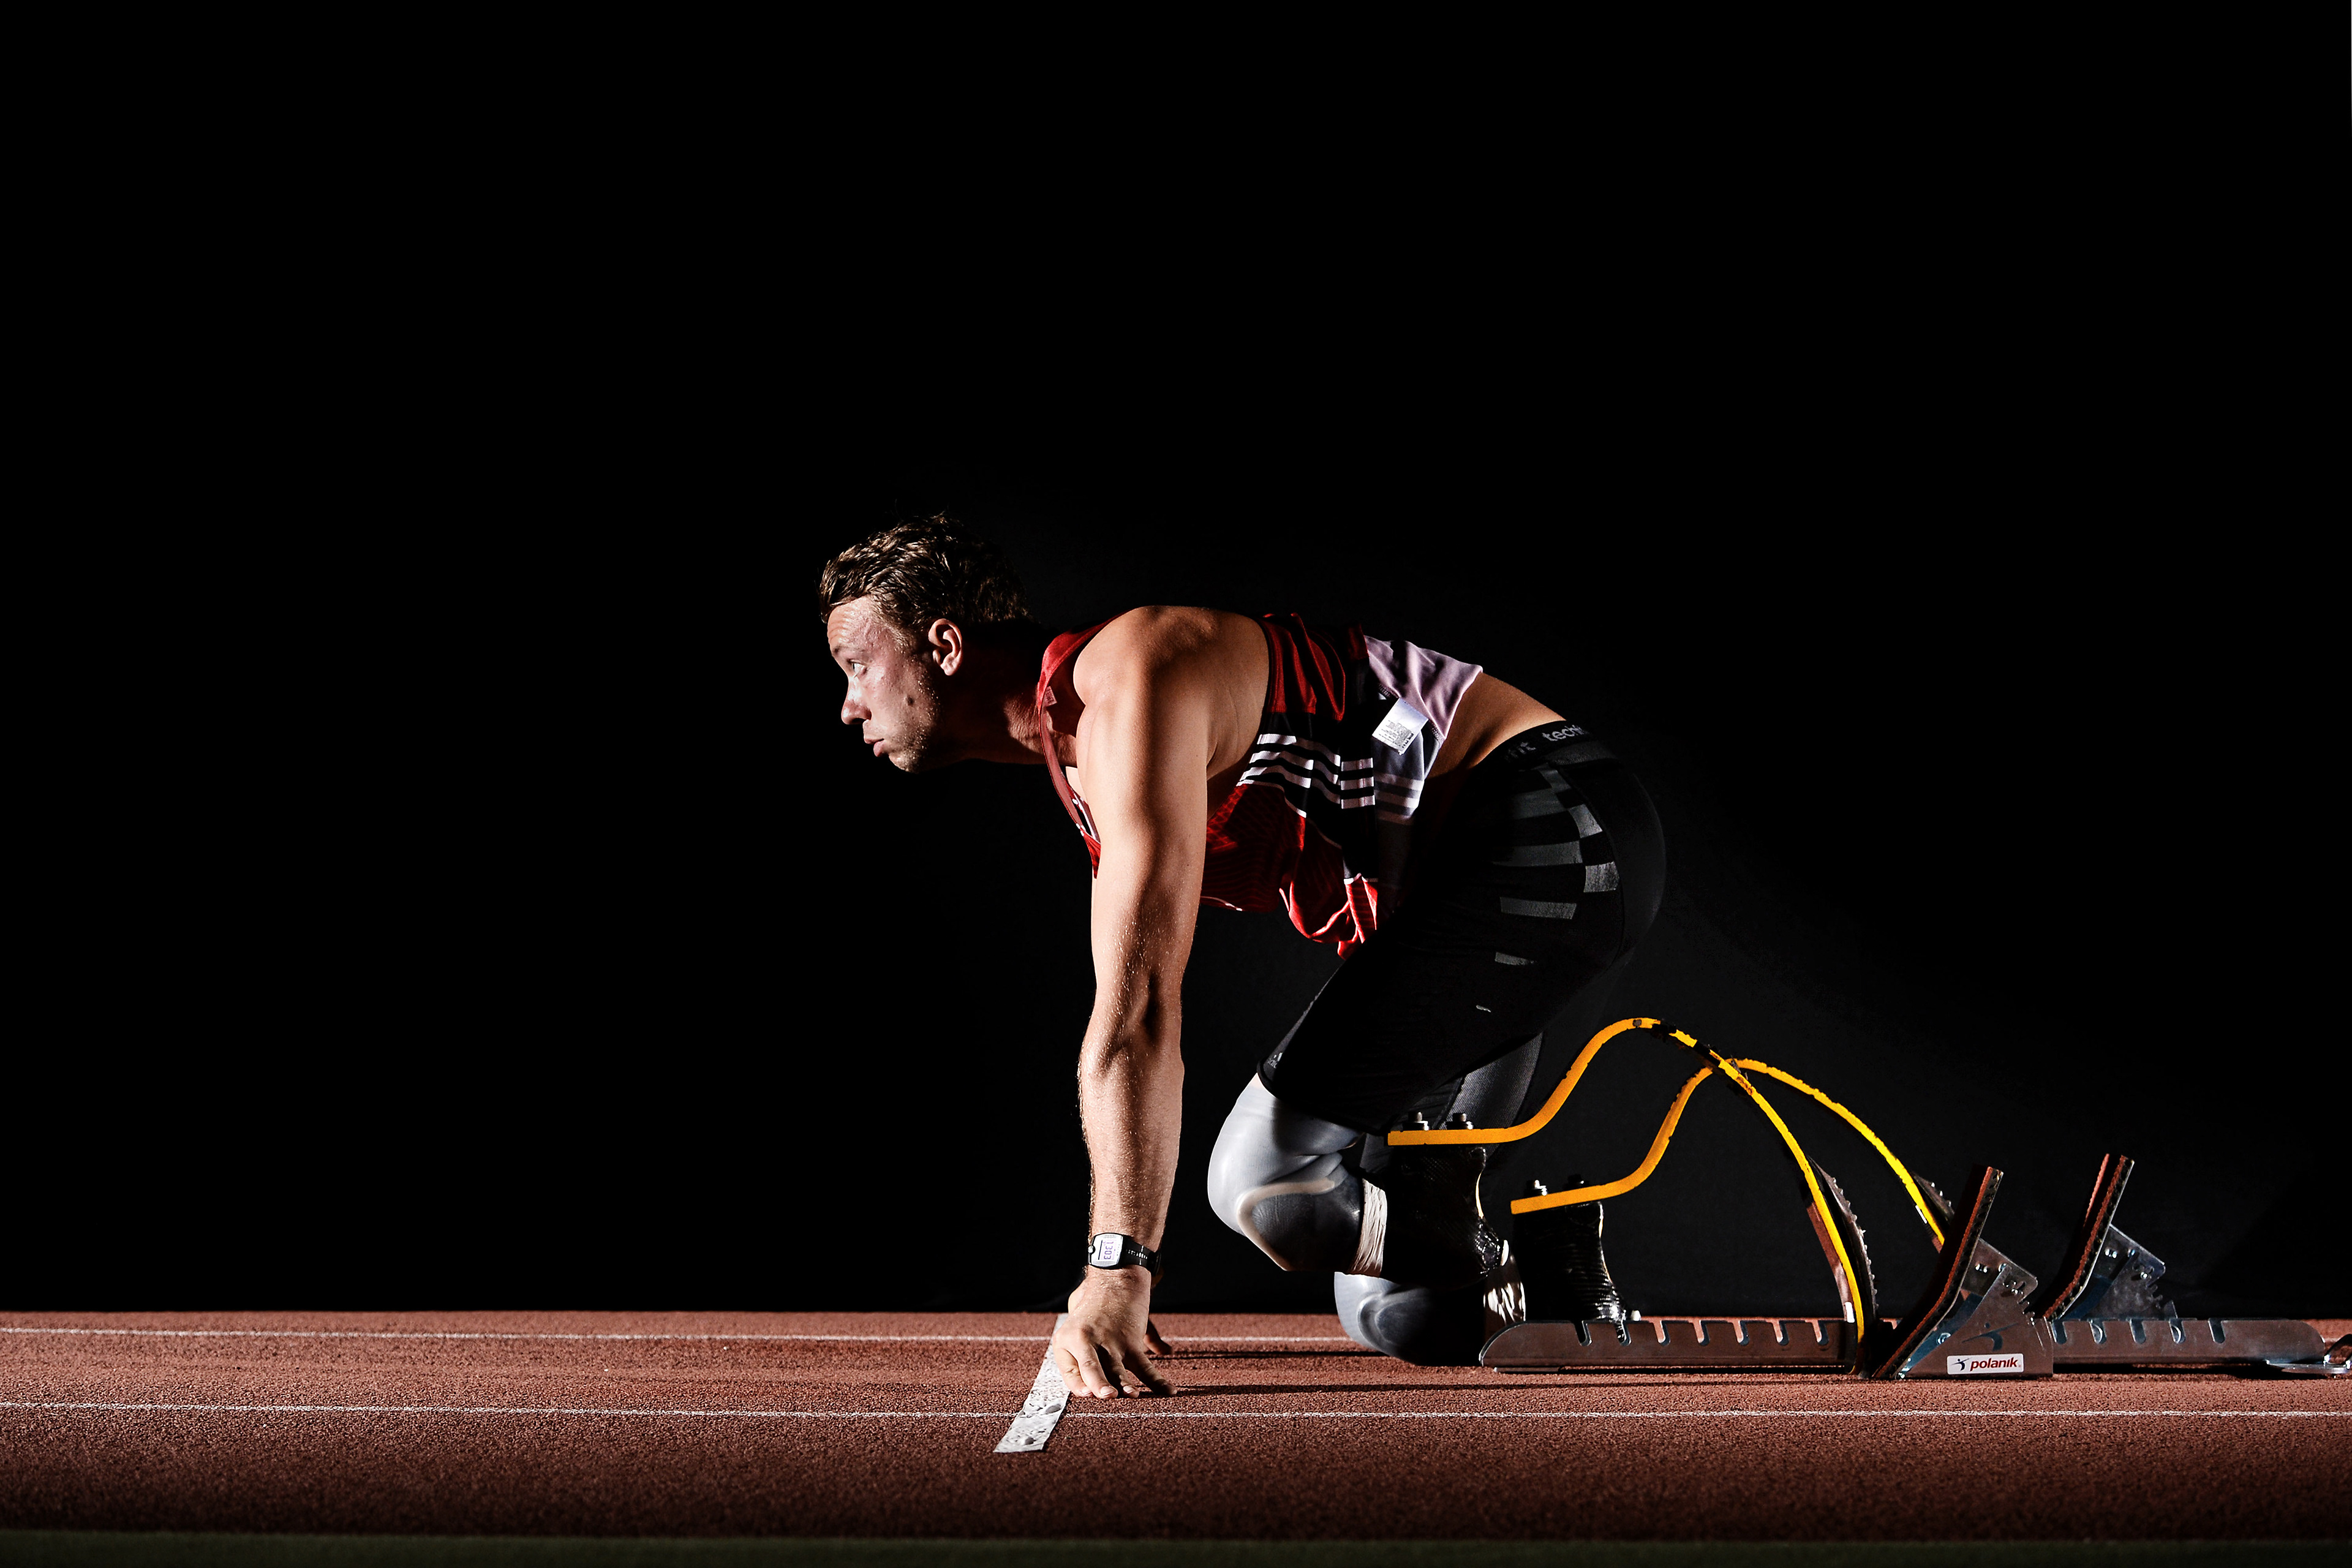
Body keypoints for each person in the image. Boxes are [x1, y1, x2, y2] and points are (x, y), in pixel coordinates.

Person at [820, 519, 1664, 1399]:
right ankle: (1548, 1255)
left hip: (1551, 824)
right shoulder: (1078, 753)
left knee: (1262, 1183)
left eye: (856, 665)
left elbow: (1139, 1009)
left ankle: (1490, 1239)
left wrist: (1117, 1271)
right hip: (1484, 899)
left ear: (945, 645)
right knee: (1397, 1312)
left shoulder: (1127, 682)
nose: (849, 704)